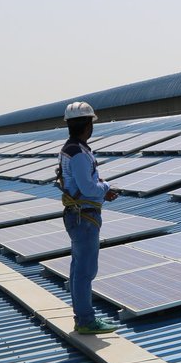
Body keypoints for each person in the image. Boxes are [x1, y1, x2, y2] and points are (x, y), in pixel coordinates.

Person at [56, 101, 119, 334]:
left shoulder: (70, 148)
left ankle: (83, 317)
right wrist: (106, 187)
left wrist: (101, 189)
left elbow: (84, 185)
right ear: (87, 125)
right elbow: (88, 187)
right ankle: (85, 320)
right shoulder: (78, 153)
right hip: (84, 218)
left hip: (78, 215)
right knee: (85, 271)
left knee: (78, 270)